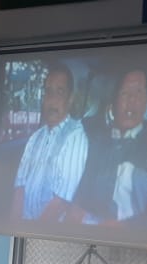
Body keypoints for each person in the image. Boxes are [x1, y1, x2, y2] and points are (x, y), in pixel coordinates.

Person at [67, 69, 147, 225]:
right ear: (115, 102)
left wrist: (125, 228)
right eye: (125, 93)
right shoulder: (96, 144)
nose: (132, 99)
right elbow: (80, 197)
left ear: (146, 102)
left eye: (138, 93)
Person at [9, 62, 89, 224]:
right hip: (23, 226)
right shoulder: (36, 137)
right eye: (48, 92)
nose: (52, 100)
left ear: (70, 99)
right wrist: (13, 227)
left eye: (59, 92)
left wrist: (33, 233)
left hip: (48, 231)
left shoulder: (76, 136)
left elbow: (61, 202)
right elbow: (19, 188)